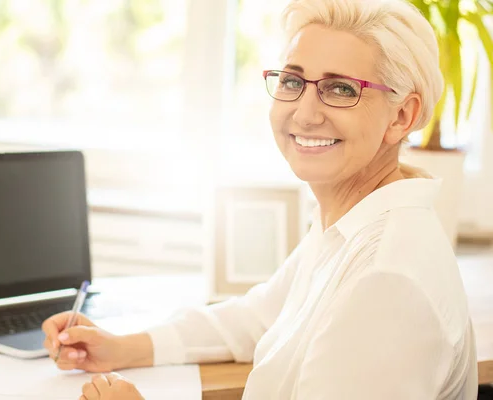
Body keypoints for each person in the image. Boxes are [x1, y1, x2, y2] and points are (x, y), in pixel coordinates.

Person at [43, 0, 478, 398]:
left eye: (342, 89)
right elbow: (261, 316)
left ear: (402, 116)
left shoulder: (387, 278)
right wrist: (125, 347)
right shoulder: (348, 220)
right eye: (293, 80)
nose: (305, 113)